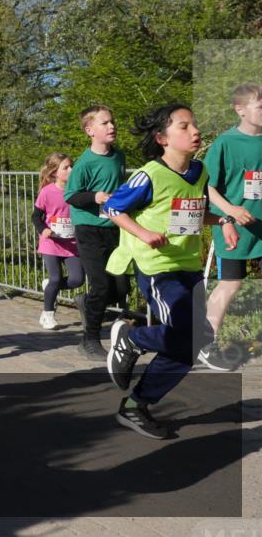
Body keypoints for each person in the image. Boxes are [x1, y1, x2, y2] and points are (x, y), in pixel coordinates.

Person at [105, 103, 237, 439]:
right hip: (158, 269)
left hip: (188, 266)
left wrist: (222, 220)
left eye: (194, 125)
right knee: (186, 332)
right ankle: (133, 338)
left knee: (196, 341)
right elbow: (112, 207)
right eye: (184, 126)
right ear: (163, 138)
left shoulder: (199, 172)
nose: (195, 131)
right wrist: (145, 234)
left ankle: (136, 405)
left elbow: (191, 215)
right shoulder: (149, 174)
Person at [198, 82, 262, 371]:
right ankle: (206, 343)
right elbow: (207, 187)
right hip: (233, 226)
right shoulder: (225, 143)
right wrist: (231, 212)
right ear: (241, 110)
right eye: (260, 106)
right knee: (231, 283)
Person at [64, 105, 131, 359]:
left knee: (121, 288)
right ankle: (89, 340)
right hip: (88, 228)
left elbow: (119, 185)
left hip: (114, 226)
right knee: (102, 286)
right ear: (90, 130)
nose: (112, 126)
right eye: (105, 123)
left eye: (112, 121)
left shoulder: (119, 156)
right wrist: (96, 196)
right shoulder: (84, 163)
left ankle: (86, 302)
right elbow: (71, 195)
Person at [32, 153, 85, 329]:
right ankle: (47, 315)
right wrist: (43, 230)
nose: (71, 170)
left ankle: (50, 286)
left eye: (72, 166)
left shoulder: (77, 190)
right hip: (51, 242)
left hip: (70, 243)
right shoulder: (47, 192)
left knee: (78, 280)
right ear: (55, 172)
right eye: (66, 167)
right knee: (56, 278)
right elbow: (36, 216)